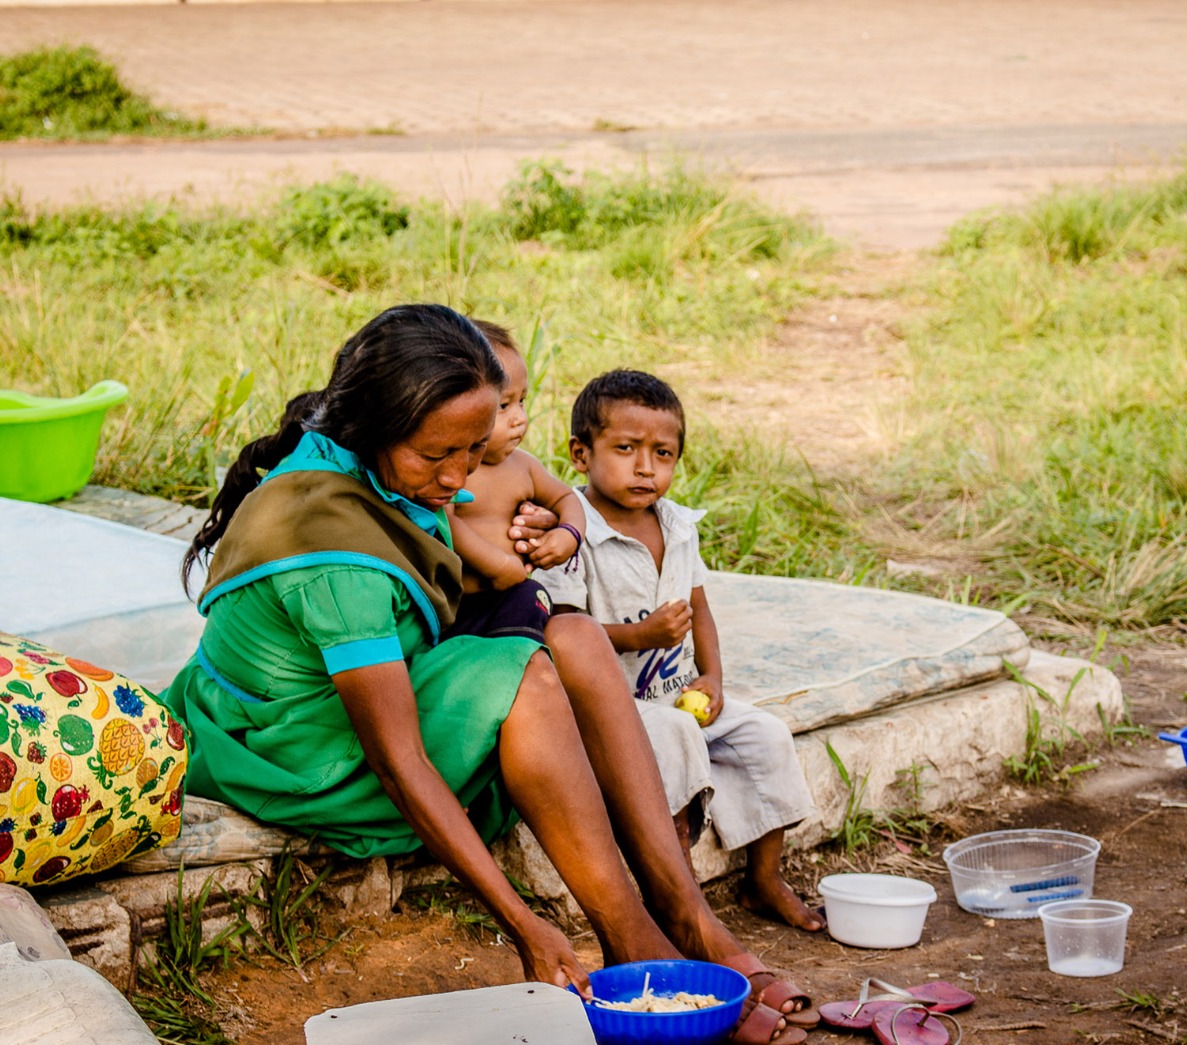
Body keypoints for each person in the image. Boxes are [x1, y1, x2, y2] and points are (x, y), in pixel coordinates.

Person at [165, 306, 813, 1043]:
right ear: (377, 427)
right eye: (438, 455)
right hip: (297, 751)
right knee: (528, 677)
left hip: (360, 697)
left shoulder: (377, 455)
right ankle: (637, 943)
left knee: (572, 633)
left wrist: (541, 533)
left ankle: (685, 914)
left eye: (475, 451)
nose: (458, 477)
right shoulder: (334, 555)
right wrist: (523, 920)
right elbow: (398, 760)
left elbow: (469, 539)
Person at [535, 369, 826, 933]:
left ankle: (763, 878)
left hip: (675, 692)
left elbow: (700, 606)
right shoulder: (572, 532)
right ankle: (678, 890)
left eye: (663, 454)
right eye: (625, 449)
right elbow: (561, 632)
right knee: (672, 737)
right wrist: (640, 637)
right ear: (580, 453)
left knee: (764, 734)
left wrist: (713, 677)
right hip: (610, 710)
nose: (646, 467)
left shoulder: (677, 525)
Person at [445, 320, 584, 644]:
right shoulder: (451, 469)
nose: (520, 417)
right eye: (504, 405)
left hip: (511, 594)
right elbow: (446, 523)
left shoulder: (523, 466)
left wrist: (569, 533)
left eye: (522, 400)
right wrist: (496, 565)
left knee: (532, 598)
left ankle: (523, 670)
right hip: (454, 602)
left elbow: (567, 498)